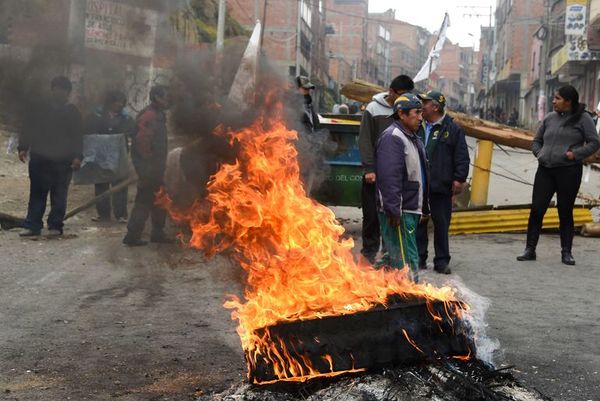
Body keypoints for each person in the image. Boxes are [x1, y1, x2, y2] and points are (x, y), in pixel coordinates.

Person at [517, 85, 600, 265]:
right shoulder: (549, 118)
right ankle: (530, 249)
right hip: (545, 170)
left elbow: (594, 142)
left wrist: (575, 154)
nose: (554, 101)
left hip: (569, 171)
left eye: (558, 98)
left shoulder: (583, 119)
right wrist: (540, 154)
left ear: (568, 102)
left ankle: (566, 252)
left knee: (565, 211)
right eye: (554, 98)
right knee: (537, 209)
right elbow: (537, 141)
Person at [358, 74, 414, 264]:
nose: (403, 100)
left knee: (393, 214)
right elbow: (364, 139)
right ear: (391, 92)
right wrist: (369, 169)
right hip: (375, 174)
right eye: (401, 95)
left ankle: (389, 254)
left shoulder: (406, 111)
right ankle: (368, 253)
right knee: (372, 215)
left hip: (396, 175)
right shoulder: (373, 109)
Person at [17, 76, 82, 237]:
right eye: (58, 88)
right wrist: (23, 147)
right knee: (37, 192)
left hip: (63, 160)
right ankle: (32, 225)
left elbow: (78, 137)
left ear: (68, 93)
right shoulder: (39, 107)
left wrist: (78, 156)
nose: (60, 92)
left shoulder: (73, 112)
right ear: (52, 89)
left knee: (59, 194)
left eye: (64, 90)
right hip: (40, 157)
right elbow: (28, 127)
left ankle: (55, 225)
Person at [375, 93, 429, 281]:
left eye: (421, 113)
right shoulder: (393, 137)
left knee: (393, 258)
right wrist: (393, 209)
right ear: (401, 114)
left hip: (410, 208)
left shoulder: (412, 137)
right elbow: (389, 177)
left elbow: (420, 175)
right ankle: (411, 297)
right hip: (400, 210)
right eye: (417, 112)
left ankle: (361, 286)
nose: (421, 117)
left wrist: (424, 208)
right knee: (407, 261)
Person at [416, 90, 470, 274]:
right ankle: (419, 258)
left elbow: (462, 156)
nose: (421, 106)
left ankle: (441, 261)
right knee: (419, 222)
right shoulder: (418, 125)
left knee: (441, 223)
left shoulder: (452, 129)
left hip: (441, 184)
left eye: (425, 102)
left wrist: (459, 178)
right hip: (419, 185)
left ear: (435, 107)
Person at [122, 85, 173, 246]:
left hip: (155, 167)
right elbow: (142, 141)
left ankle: (157, 233)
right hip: (149, 167)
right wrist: (148, 166)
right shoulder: (150, 115)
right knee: (144, 200)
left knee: (160, 198)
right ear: (157, 97)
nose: (168, 100)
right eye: (165, 96)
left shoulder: (158, 115)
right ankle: (132, 235)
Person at [84, 90, 134, 223]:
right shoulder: (95, 116)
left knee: (120, 185)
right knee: (101, 185)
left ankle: (121, 215)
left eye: (122, 102)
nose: (120, 104)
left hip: (119, 157)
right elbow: (87, 133)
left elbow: (133, 134)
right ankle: (103, 214)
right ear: (110, 102)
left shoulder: (126, 118)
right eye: (117, 101)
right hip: (101, 157)